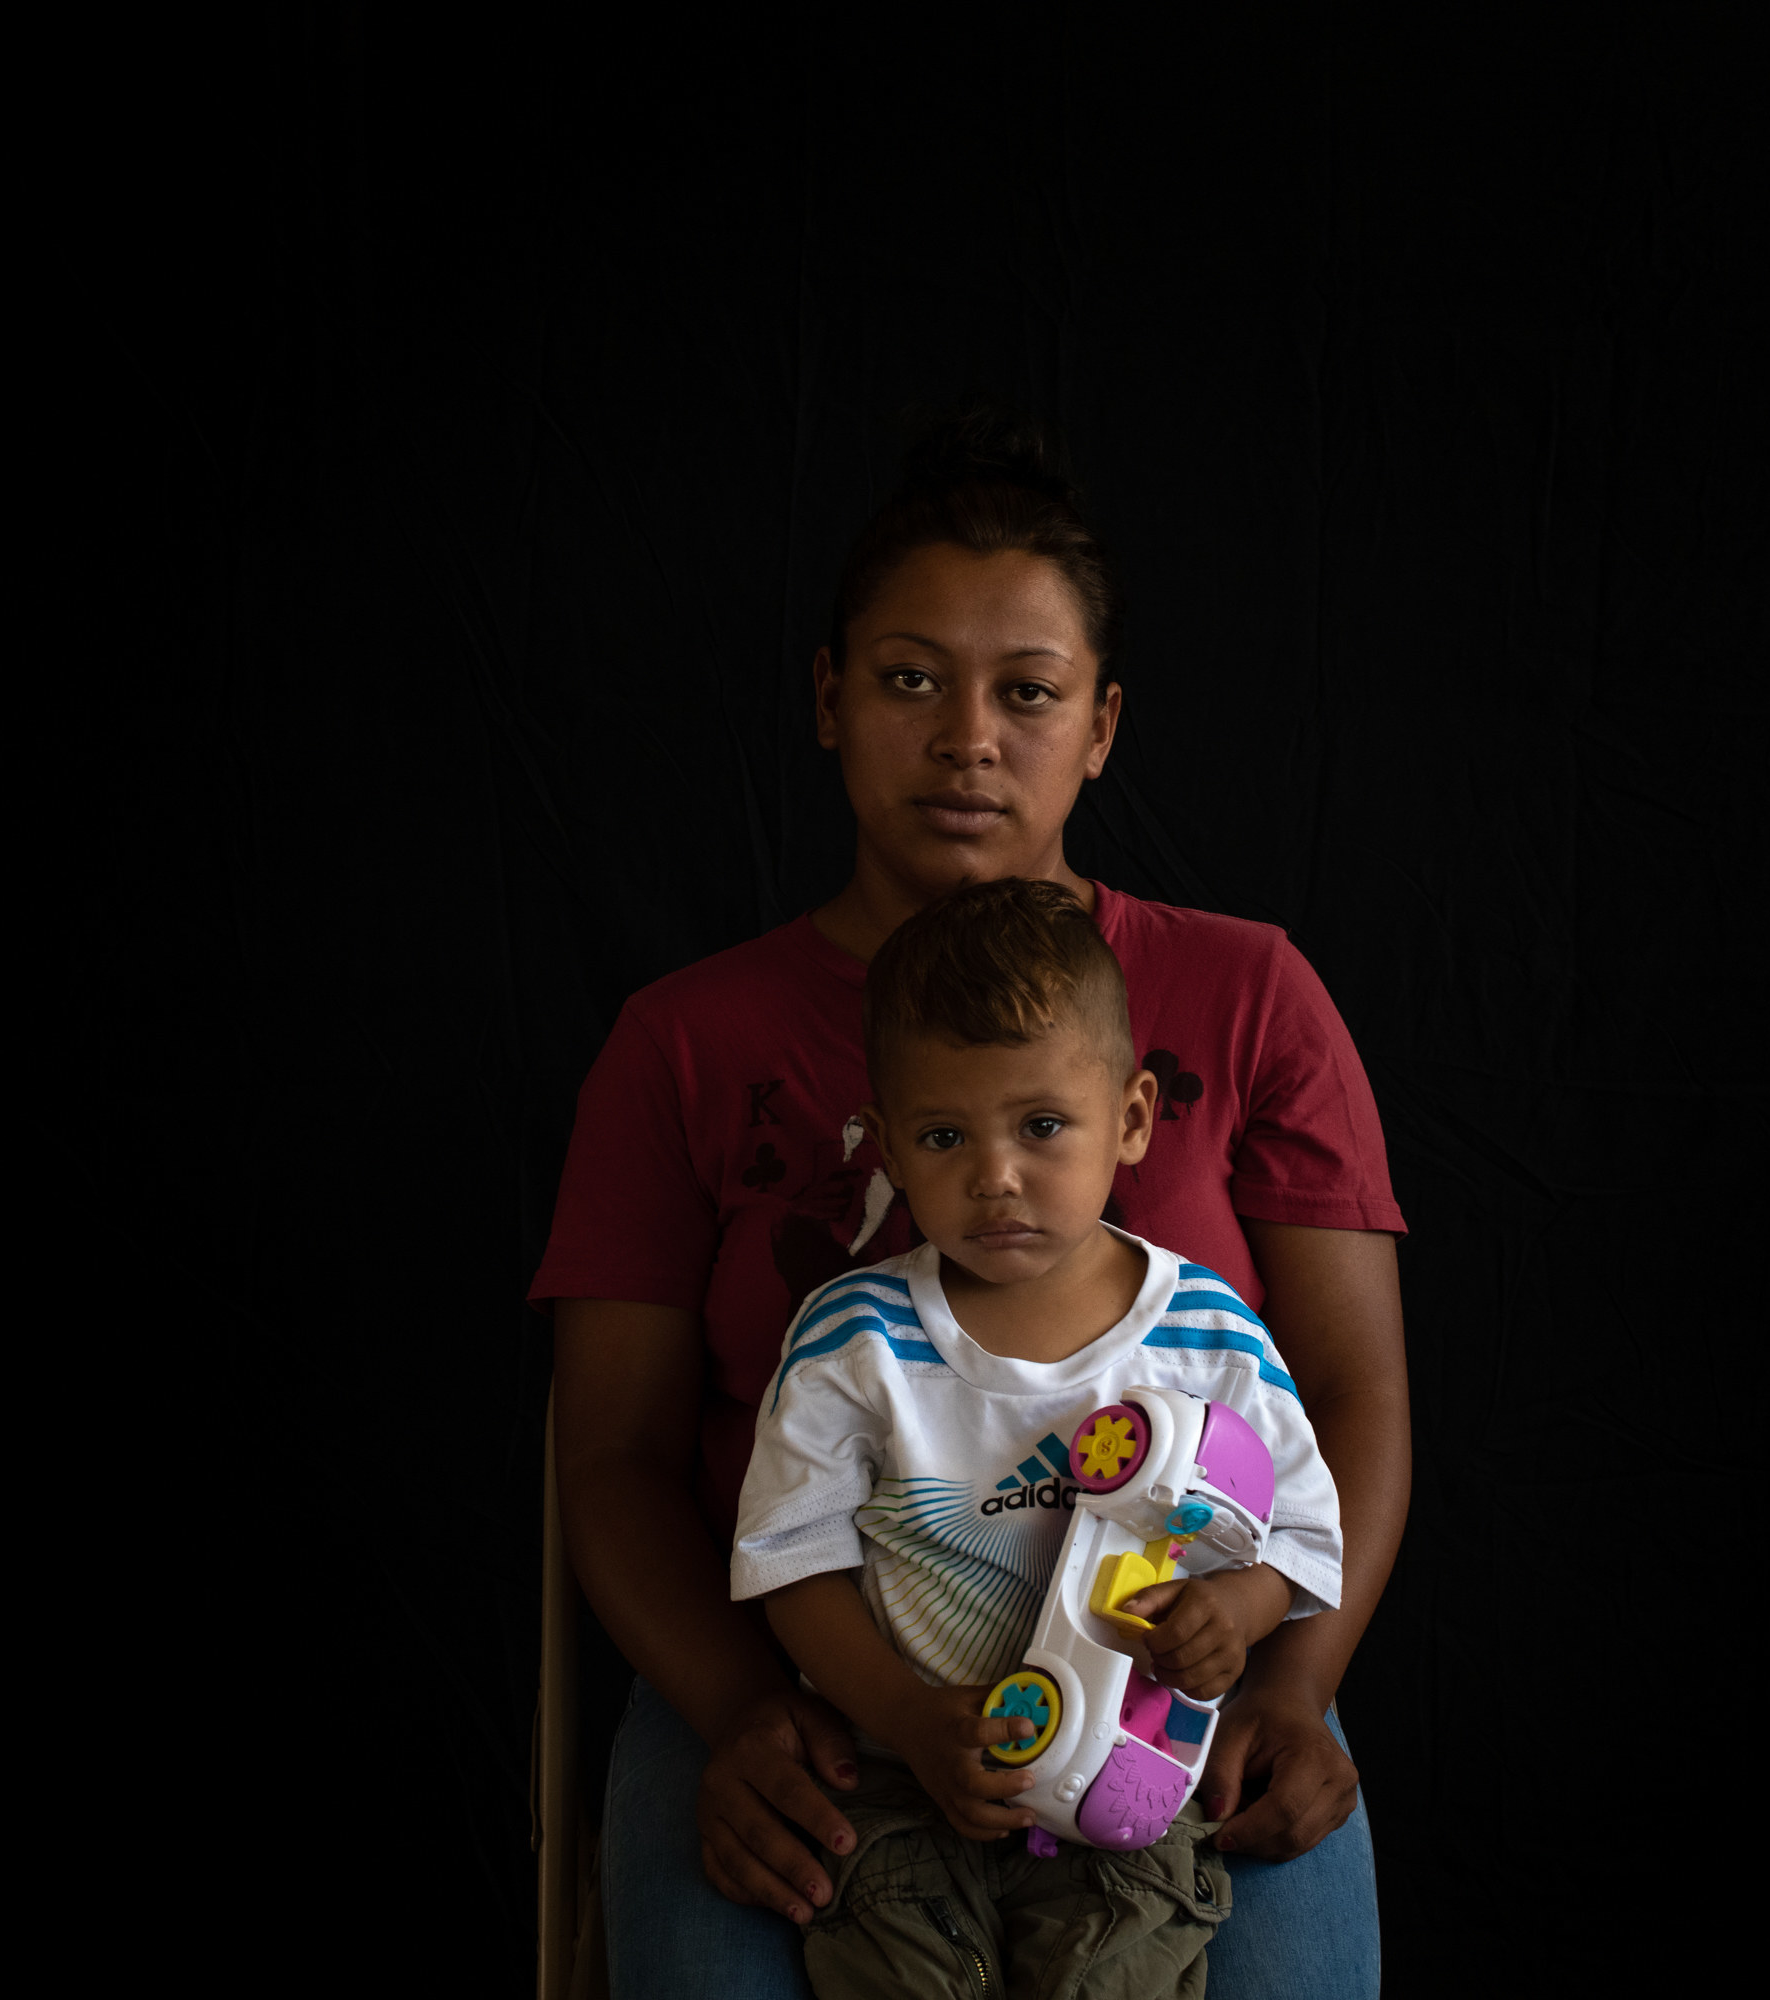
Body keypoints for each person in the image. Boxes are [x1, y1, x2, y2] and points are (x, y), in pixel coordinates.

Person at [536, 405, 1409, 2000]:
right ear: (828, 698)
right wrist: (743, 1708)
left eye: (1028, 692)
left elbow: (1348, 1399)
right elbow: (607, 1454)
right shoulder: (685, 1042)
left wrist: (1298, 1677)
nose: (966, 740)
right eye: (909, 679)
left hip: (1177, 1662)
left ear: (1103, 724)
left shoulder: (1248, 994)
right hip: (794, 1665)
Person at [735, 878, 1343, 1998]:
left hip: (1130, 1790)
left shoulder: (1208, 1334)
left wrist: (1238, 1613)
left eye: (1043, 1124)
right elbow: (794, 1564)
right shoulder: (850, 1338)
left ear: (1132, 1115)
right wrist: (909, 1720)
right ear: (889, 1146)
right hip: (908, 1783)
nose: (994, 1173)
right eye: (944, 1134)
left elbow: (1303, 1530)